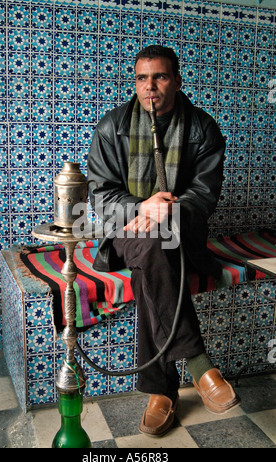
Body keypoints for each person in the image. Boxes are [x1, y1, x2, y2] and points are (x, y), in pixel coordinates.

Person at [88, 45, 239, 437]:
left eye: (160, 77)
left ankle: (161, 391)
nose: (149, 86)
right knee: (151, 245)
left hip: (181, 234)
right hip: (126, 232)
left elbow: (205, 194)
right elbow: (101, 195)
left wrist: (167, 211)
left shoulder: (203, 128)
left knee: (151, 267)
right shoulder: (111, 127)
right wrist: (142, 207)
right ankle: (200, 363)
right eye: (141, 78)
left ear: (177, 81)